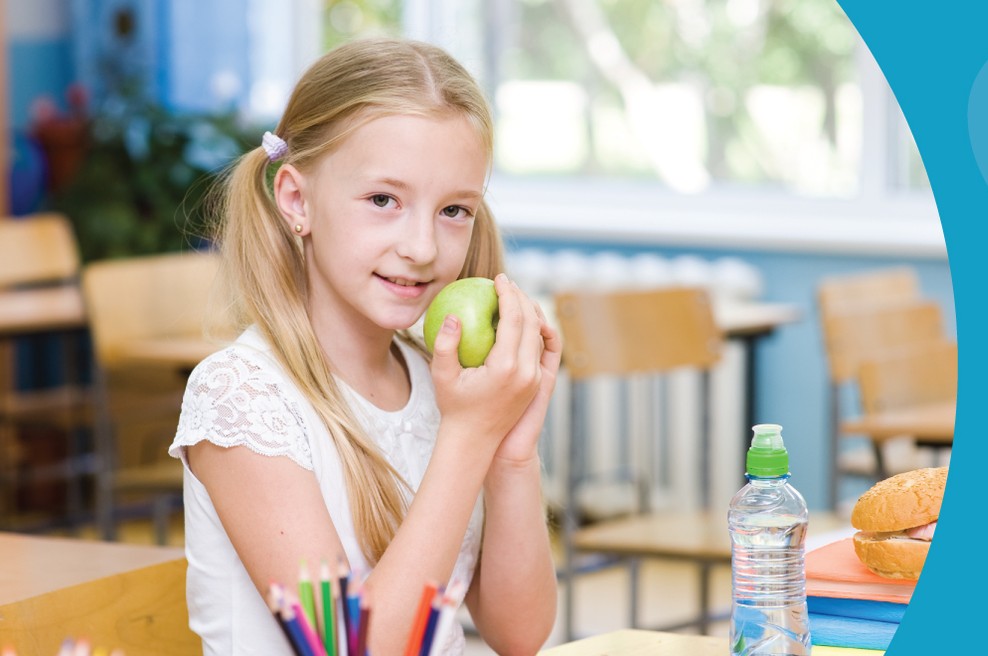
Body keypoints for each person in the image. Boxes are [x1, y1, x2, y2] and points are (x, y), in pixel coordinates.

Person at [168, 37, 561, 655]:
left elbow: (519, 633)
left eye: (454, 209)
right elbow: (347, 647)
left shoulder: (438, 382)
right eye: (384, 200)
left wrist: (511, 452)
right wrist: (467, 437)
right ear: (297, 200)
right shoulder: (241, 398)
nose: (423, 247)